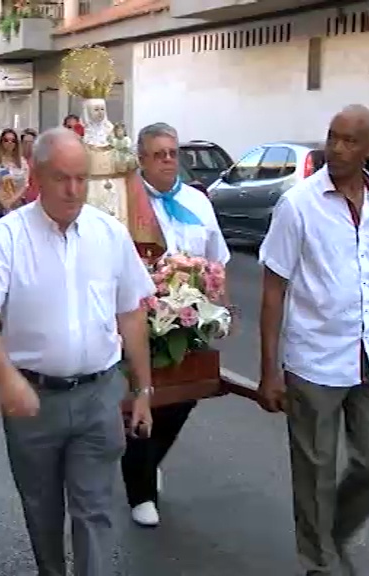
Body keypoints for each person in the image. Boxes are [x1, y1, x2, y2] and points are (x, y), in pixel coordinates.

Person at [0, 127, 155, 576]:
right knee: (42, 510)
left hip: (98, 396)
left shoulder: (109, 233)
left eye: (81, 179)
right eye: (62, 178)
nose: (73, 191)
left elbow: (131, 313)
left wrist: (142, 389)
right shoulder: (9, 235)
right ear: (38, 175)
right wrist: (6, 376)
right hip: (33, 403)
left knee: (94, 511)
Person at [257, 105, 369, 576]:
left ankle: (329, 536)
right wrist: (269, 369)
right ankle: (319, 562)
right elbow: (274, 288)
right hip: (314, 358)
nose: (337, 148)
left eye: (350, 140)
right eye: (333, 137)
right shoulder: (299, 204)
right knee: (314, 471)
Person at [119, 122, 230, 528]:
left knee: (184, 397)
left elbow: (218, 260)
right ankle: (140, 489)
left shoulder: (198, 202)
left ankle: (150, 462)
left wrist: (222, 309)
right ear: (142, 159)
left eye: (172, 153)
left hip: (190, 318)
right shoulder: (128, 201)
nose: (168, 160)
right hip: (141, 317)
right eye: (158, 154)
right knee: (142, 396)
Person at [0, 128, 29, 226]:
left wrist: (12, 201)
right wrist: (5, 203)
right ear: (1, 142)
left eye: (13, 141)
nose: (9, 143)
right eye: (6, 140)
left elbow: (25, 184)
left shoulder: (21, 162)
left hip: (18, 204)